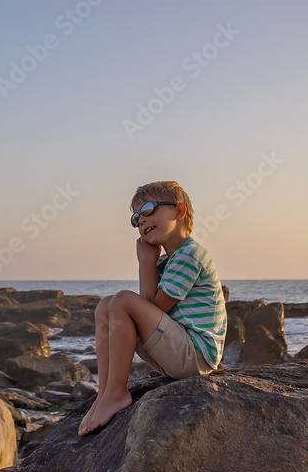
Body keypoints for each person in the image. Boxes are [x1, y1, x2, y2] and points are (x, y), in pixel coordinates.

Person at [78, 180, 227, 436]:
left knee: (122, 300)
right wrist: (148, 262)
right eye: (136, 218)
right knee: (106, 306)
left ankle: (115, 394)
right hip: (175, 354)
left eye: (148, 210)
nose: (141, 221)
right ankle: (105, 392)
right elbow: (148, 311)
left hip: (195, 356)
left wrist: (145, 263)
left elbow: (155, 308)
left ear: (179, 212)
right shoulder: (168, 261)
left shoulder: (189, 255)